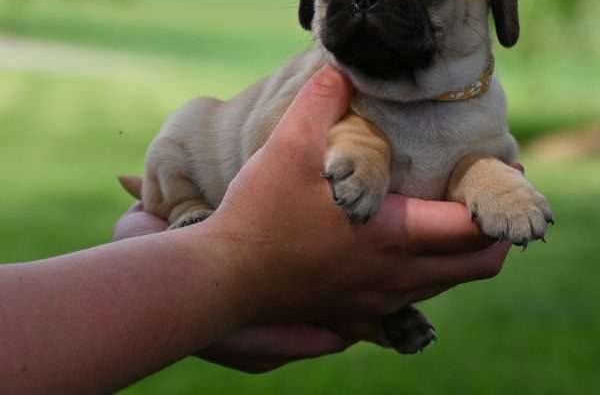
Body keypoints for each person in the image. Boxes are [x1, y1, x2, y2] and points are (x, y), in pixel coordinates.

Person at [0, 66, 510, 393]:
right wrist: (217, 257)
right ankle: (183, 208)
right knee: (186, 124)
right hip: (212, 178)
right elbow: (269, 136)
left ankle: (374, 315)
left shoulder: (478, 99)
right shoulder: (322, 78)